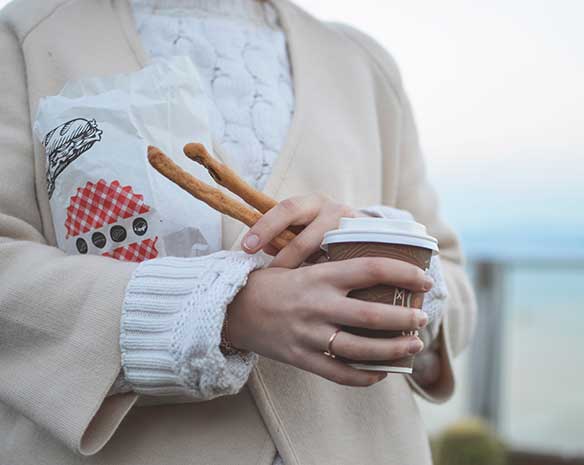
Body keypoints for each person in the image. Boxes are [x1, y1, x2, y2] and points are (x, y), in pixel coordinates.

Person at [0, 0, 476, 464]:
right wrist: (225, 313)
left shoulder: (364, 65)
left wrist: (373, 252)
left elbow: (452, 288)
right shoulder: (23, 39)